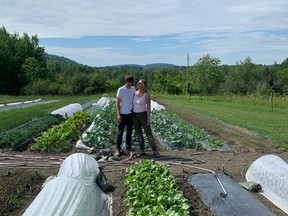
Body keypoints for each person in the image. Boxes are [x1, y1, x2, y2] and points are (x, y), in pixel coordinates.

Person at [133, 79, 160, 158]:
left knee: (148, 133)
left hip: (143, 115)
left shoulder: (146, 94)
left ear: (144, 85)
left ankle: (155, 151)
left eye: (140, 83)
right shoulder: (134, 93)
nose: (139, 84)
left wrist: (148, 117)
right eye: (138, 83)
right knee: (139, 134)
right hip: (135, 116)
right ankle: (142, 150)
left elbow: (148, 106)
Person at [115, 75, 136, 157]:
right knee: (120, 132)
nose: (133, 83)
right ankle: (118, 148)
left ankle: (128, 147)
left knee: (129, 131)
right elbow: (117, 103)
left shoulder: (133, 88)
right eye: (131, 82)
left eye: (133, 81)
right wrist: (118, 114)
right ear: (127, 82)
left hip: (131, 113)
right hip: (123, 114)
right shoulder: (121, 90)